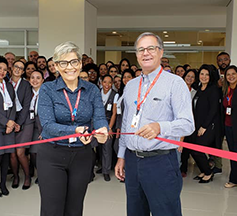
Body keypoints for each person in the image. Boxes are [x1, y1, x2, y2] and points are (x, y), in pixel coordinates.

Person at [115, 32, 194, 216]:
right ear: (136, 55)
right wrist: (121, 155)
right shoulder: (131, 85)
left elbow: (188, 124)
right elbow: (127, 122)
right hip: (133, 161)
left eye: (151, 48)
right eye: (141, 49)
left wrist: (161, 127)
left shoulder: (175, 83)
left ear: (160, 52)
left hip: (161, 162)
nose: (146, 53)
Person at [37, 41, 108, 216]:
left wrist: (102, 131)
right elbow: (47, 125)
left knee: (75, 209)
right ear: (56, 66)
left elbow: (99, 118)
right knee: (52, 210)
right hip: (52, 155)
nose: (70, 67)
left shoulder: (92, 90)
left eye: (74, 61)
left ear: (80, 63)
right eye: (64, 62)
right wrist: (75, 131)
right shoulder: (47, 89)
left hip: (81, 156)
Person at [190, 64, 220, 183]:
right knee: (193, 149)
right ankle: (204, 170)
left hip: (208, 126)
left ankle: (208, 172)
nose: (204, 76)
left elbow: (213, 110)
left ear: (210, 76)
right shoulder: (199, 88)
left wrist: (204, 126)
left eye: (207, 74)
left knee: (198, 150)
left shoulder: (213, 90)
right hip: (197, 125)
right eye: (202, 74)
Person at [10, 60, 33, 190]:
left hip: (25, 122)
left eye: (21, 68)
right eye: (16, 67)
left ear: (23, 72)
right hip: (10, 122)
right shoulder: (6, 83)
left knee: (20, 153)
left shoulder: (26, 85)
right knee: (12, 153)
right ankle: (15, 176)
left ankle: (27, 176)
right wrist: (11, 123)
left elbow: (26, 106)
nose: (18, 69)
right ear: (12, 68)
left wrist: (19, 123)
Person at [95, 74, 118, 181]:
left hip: (108, 123)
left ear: (112, 84)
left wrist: (109, 128)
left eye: (109, 82)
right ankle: (102, 166)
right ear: (101, 83)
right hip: (97, 123)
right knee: (98, 146)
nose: (107, 85)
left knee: (107, 147)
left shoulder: (115, 95)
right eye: (105, 82)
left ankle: (106, 171)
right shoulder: (97, 93)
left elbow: (114, 113)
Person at [0, 57, 16, 196]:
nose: (2, 72)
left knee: (6, 158)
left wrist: (11, 121)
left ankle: (3, 184)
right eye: (0, 68)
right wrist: (6, 122)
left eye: (5, 69)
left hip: (8, 128)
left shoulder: (8, 85)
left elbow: (13, 105)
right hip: (2, 125)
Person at [222, 65, 237, 188]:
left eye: (233, 74)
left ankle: (234, 179)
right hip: (228, 126)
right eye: (228, 74)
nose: (231, 76)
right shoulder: (226, 90)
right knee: (232, 153)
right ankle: (234, 178)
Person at [29, 70, 44, 184]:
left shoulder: (45, 93)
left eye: (38, 78)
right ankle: (38, 171)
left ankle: (43, 174)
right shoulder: (27, 93)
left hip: (42, 126)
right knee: (33, 153)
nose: (35, 80)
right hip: (30, 126)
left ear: (42, 80)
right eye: (32, 77)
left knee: (40, 153)